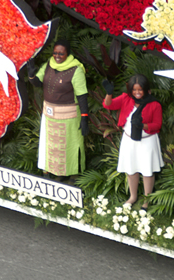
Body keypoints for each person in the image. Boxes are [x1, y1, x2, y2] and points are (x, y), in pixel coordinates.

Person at [27, 39, 89, 180]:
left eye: (61, 53)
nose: (57, 56)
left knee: (69, 147)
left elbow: (82, 95)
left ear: (67, 53)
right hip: (49, 115)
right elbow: (38, 82)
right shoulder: (49, 64)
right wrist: (31, 75)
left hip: (69, 117)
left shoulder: (76, 70)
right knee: (51, 147)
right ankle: (54, 174)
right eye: (55, 53)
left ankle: (72, 176)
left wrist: (85, 117)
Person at [102, 74, 164, 210]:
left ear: (146, 90)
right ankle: (133, 196)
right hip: (129, 140)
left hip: (147, 141)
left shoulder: (154, 104)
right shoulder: (126, 98)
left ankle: (146, 200)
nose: (137, 93)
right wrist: (109, 93)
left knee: (147, 171)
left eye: (140, 90)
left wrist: (144, 126)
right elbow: (109, 105)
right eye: (134, 90)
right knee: (131, 169)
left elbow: (157, 124)